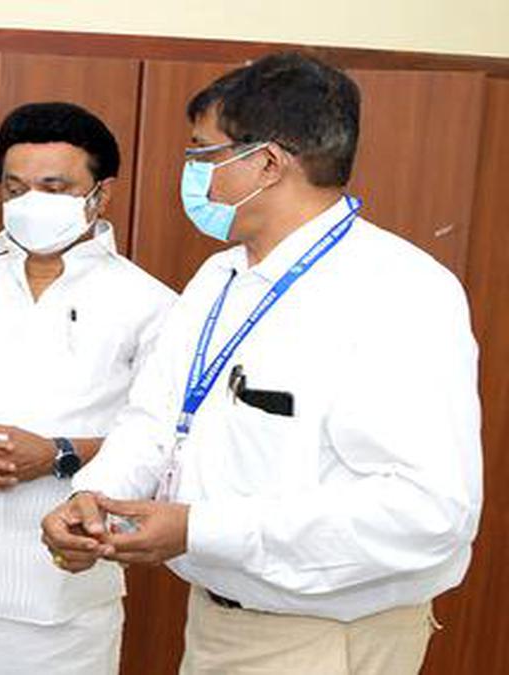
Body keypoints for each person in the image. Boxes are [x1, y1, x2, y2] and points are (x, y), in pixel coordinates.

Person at [42, 52, 482, 675]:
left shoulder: (399, 292)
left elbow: (426, 510)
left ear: (268, 163)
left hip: (325, 637)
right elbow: (158, 417)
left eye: (203, 154)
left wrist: (200, 528)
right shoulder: (217, 277)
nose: (192, 174)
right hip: (220, 619)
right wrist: (95, 497)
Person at [0, 103, 175, 674]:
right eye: (15, 188)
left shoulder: (151, 305)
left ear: (101, 194)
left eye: (54, 187)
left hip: (59, 594)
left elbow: (163, 440)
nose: (30, 203)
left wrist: (58, 454)